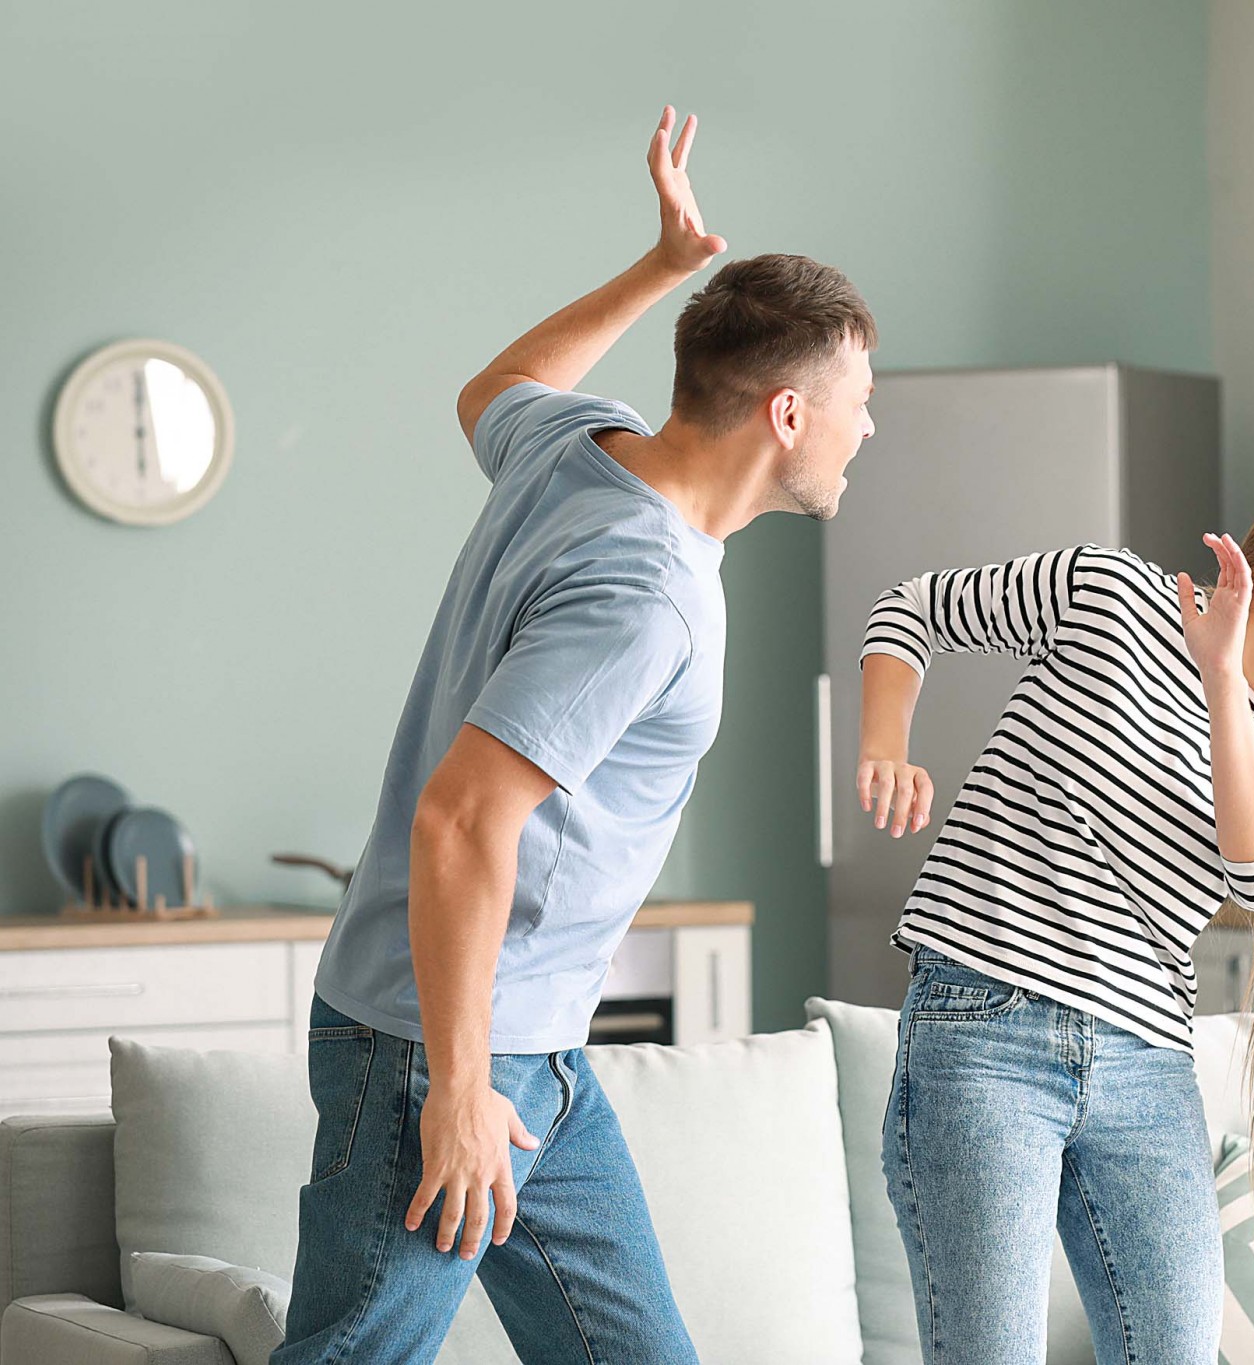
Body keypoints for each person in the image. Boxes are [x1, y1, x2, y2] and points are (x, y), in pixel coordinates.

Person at [273, 106, 876, 1364]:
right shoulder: (644, 590)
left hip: (527, 1048)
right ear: (785, 415)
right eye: (855, 404)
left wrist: (662, 267)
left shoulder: (575, 447)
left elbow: (491, 389)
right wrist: (455, 1090)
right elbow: (461, 818)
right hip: (442, 1047)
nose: (865, 430)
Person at [857, 483, 1254, 1362]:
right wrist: (885, 746)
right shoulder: (1109, 592)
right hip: (984, 1032)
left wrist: (1223, 678)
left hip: (1145, 1069)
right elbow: (912, 608)